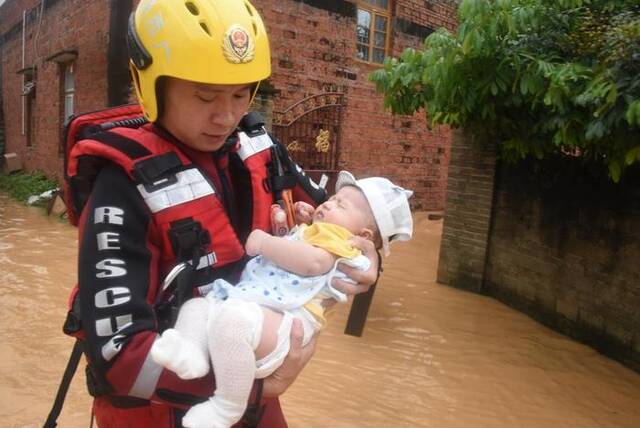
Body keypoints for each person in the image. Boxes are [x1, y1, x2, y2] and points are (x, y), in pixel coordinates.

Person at [62, 1, 379, 427]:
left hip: (254, 391)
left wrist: (371, 254)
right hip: (168, 411)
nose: (226, 115)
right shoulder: (121, 187)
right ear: (151, 85)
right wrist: (251, 389)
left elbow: (348, 212)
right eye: (205, 95)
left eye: (239, 93)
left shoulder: (259, 147)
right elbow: (120, 356)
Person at [149, 172, 413, 428]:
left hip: (286, 324)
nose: (327, 203)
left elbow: (314, 263)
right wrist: (300, 220)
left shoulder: (341, 241)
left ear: (364, 236)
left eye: (339, 205)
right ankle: (191, 351)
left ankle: (227, 406)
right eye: (332, 198)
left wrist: (263, 243)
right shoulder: (317, 231)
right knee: (198, 306)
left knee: (232, 322)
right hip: (257, 310)